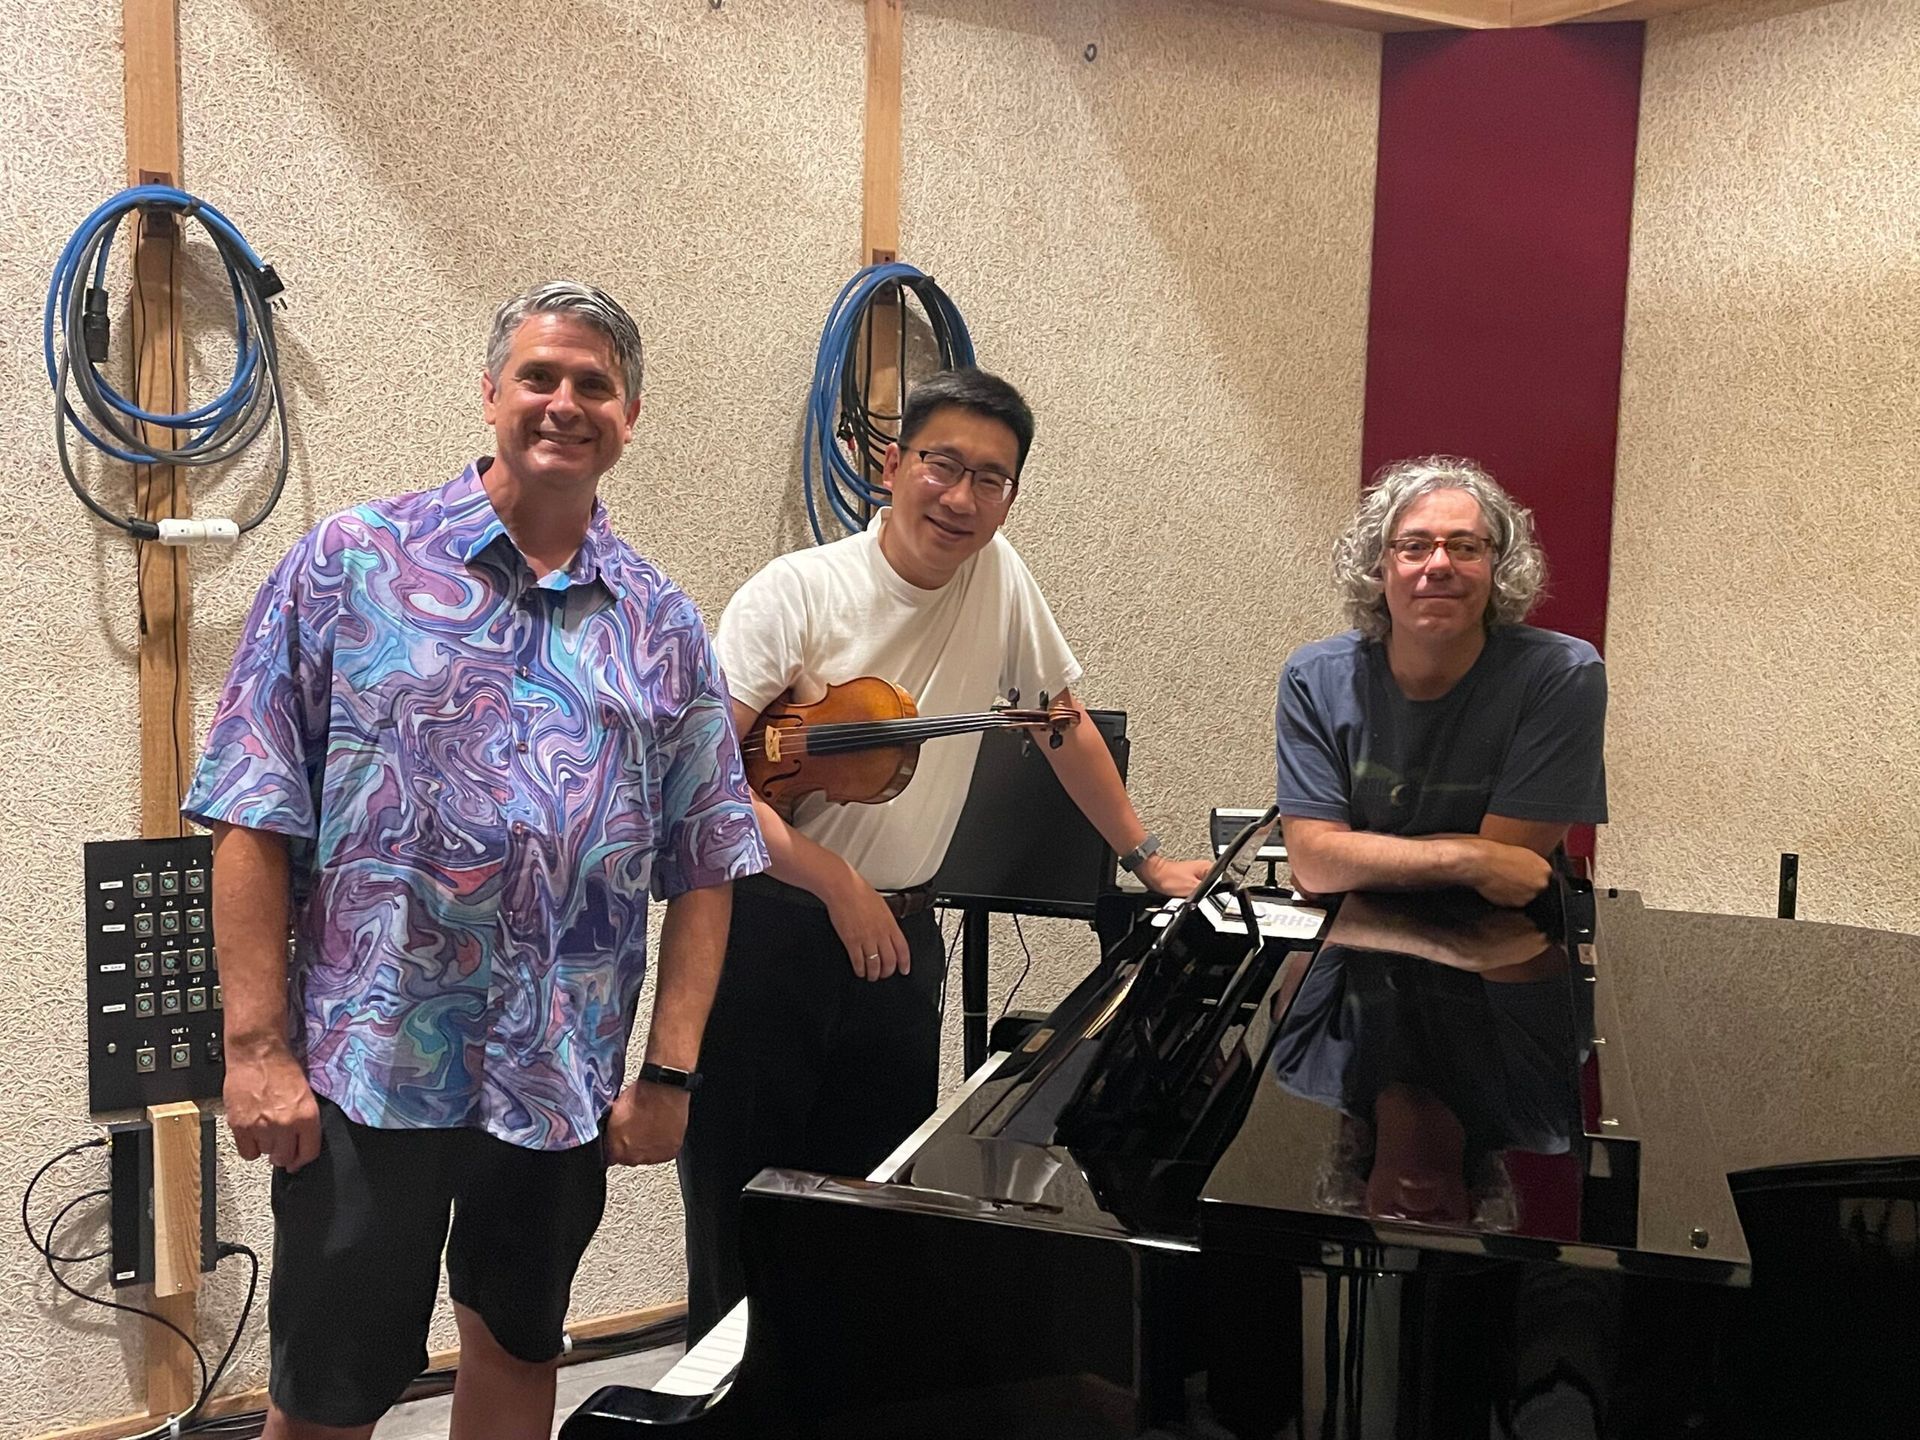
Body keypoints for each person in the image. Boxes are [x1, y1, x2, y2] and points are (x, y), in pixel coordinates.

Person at [182, 282, 767, 1440]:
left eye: (593, 384)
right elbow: (251, 814)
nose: (564, 403)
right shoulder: (351, 565)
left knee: (516, 1344)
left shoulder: (659, 622)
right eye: (540, 377)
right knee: (330, 1383)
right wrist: (253, 1049)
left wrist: (673, 1074)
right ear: (491, 392)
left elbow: (708, 858)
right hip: (368, 1065)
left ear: (631, 416)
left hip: (561, 1074)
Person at [678, 366, 1211, 1341]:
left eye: (991, 478)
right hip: (770, 938)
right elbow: (706, 786)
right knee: (743, 1221)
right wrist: (834, 880)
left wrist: (1148, 857)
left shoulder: (999, 577)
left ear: (1011, 495)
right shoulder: (797, 593)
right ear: (894, 464)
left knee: (870, 1216)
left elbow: (1061, 724)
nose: (961, 498)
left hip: (900, 945)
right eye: (943, 465)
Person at [1275, 456, 1607, 906]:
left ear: (1499, 566)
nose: (1439, 564)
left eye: (1466, 547)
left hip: (1506, 948)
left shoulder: (1562, 675)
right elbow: (1314, 864)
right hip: (1352, 944)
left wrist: (1354, 855)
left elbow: (1513, 871)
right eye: (1413, 546)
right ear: (1378, 567)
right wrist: (1471, 860)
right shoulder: (1313, 678)